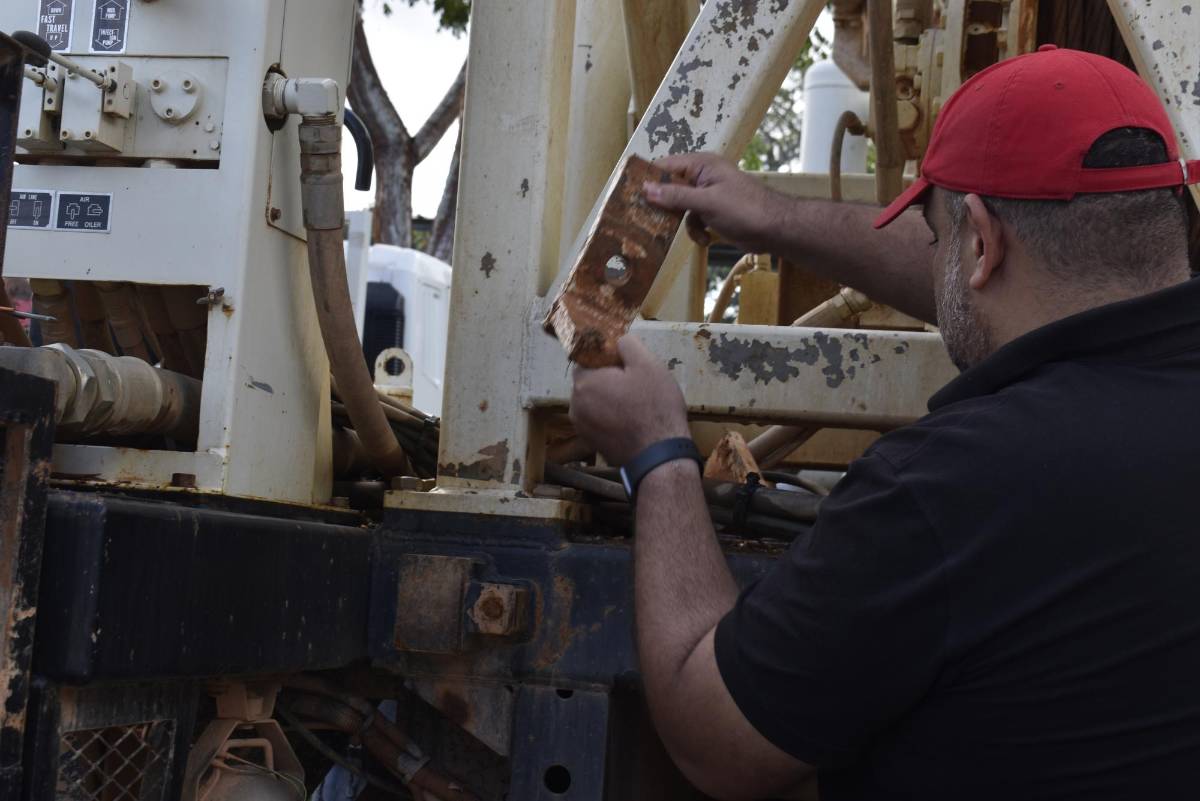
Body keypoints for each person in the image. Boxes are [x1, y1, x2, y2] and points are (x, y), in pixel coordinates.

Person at [569, 46, 1200, 800]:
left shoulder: (950, 487)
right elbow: (1008, 282)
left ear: (981, 242)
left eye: (935, 236)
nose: (934, 255)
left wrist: (658, 452)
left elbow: (714, 736)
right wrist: (775, 217)